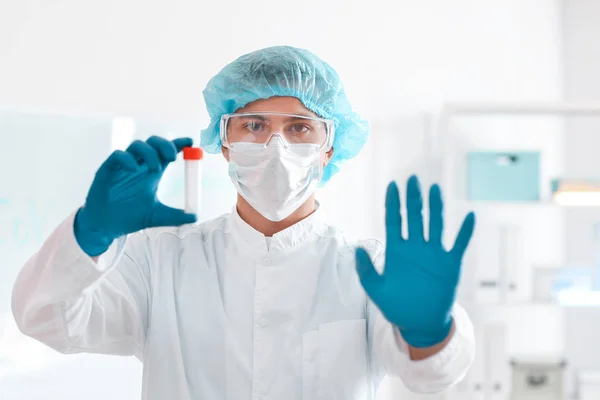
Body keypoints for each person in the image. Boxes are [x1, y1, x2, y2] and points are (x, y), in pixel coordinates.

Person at [12, 46, 476, 399]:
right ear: (224, 141)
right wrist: (90, 234)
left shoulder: (369, 269)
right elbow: (46, 321)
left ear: (328, 148)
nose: (276, 144)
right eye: (254, 125)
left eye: (299, 127)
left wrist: (428, 333)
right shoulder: (157, 259)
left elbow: (431, 376)